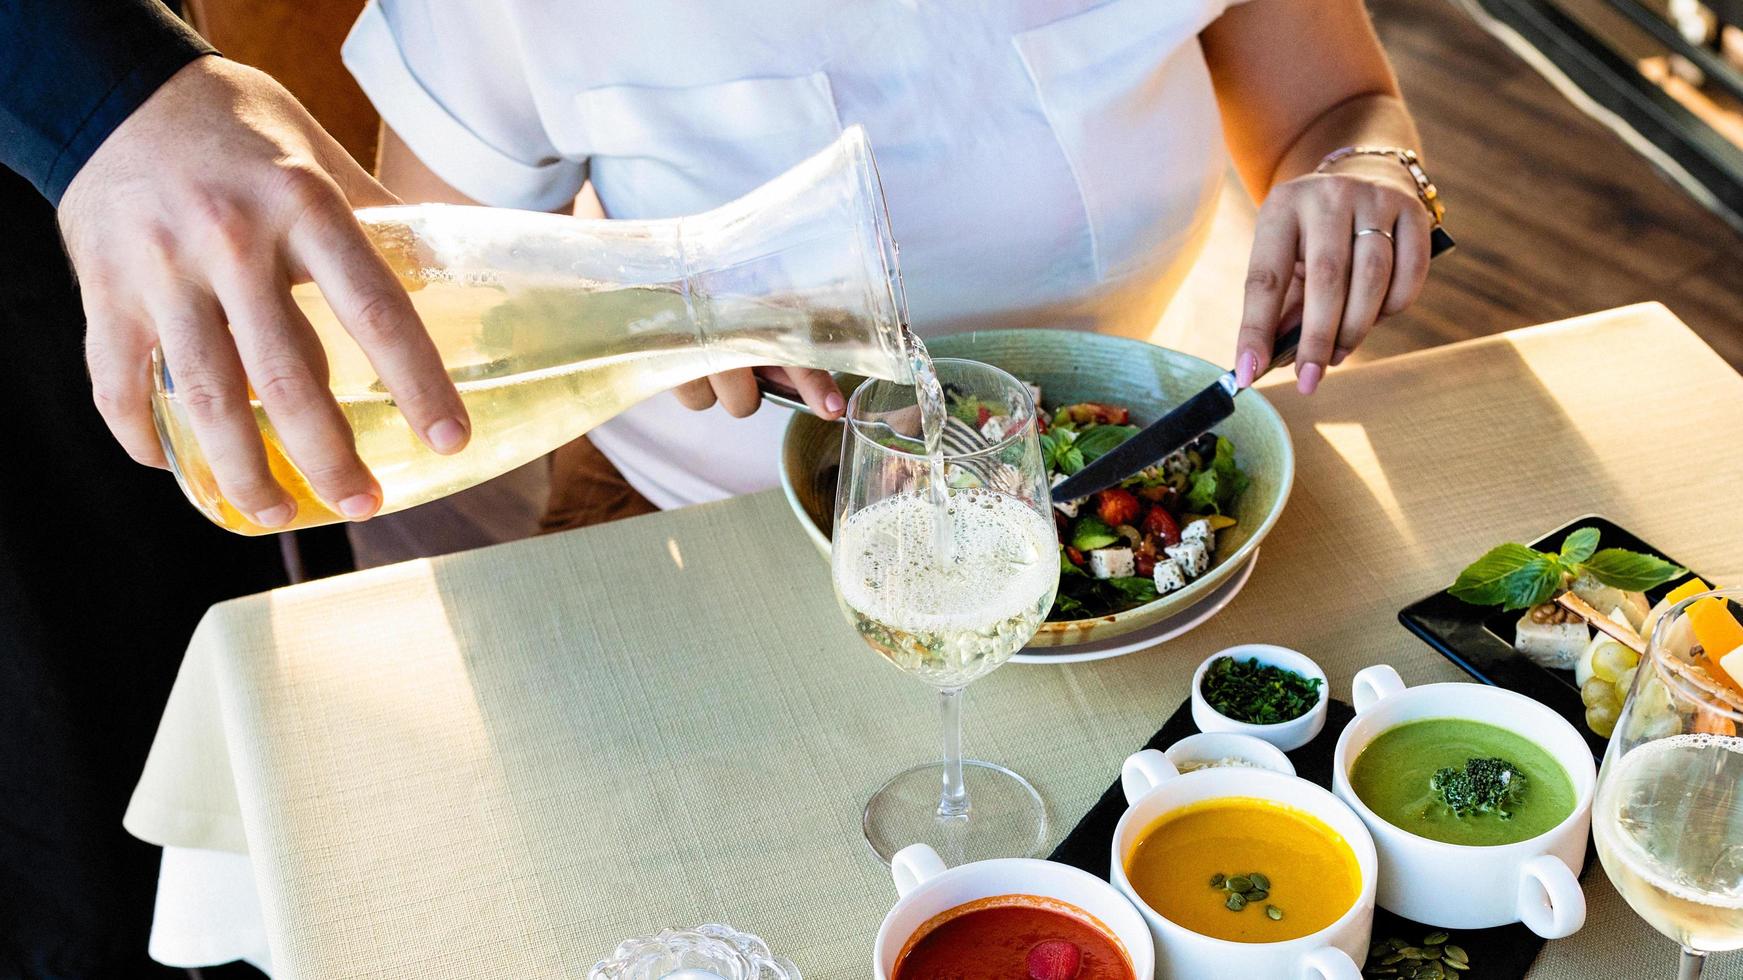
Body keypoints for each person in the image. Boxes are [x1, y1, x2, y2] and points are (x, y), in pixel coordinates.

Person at [340, 0, 1442, 529]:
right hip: (698, 514)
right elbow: (429, 314)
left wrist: (1368, 169)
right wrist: (647, 310)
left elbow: (1339, 109)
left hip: (1118, 479)